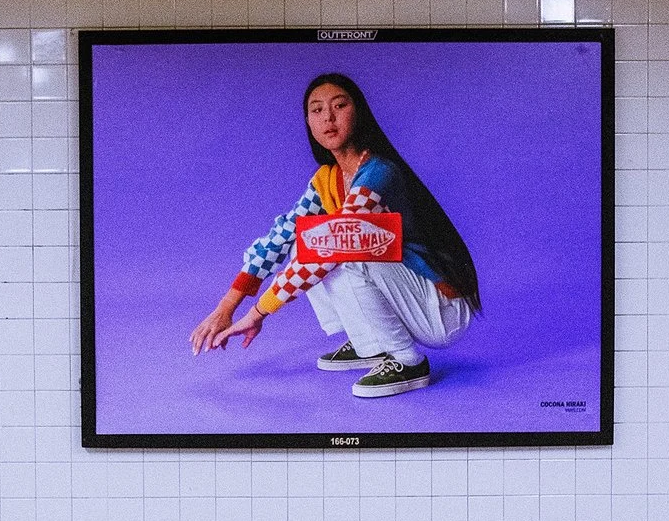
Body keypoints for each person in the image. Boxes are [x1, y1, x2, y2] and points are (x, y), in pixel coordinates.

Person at [189, 73, 481, 398]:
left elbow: (340, 243)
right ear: (309, 124)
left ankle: (408, 361)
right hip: (410, 297)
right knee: (305, 242)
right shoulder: (327, 179)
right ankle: (370, 342)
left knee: (344, 250)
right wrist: (226, 307)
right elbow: (280, 238)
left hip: (441, 307)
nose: (328, 117)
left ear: (359, 113)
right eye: (317, 110)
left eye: (339, 106)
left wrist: (258, 313)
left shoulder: (379, 171)